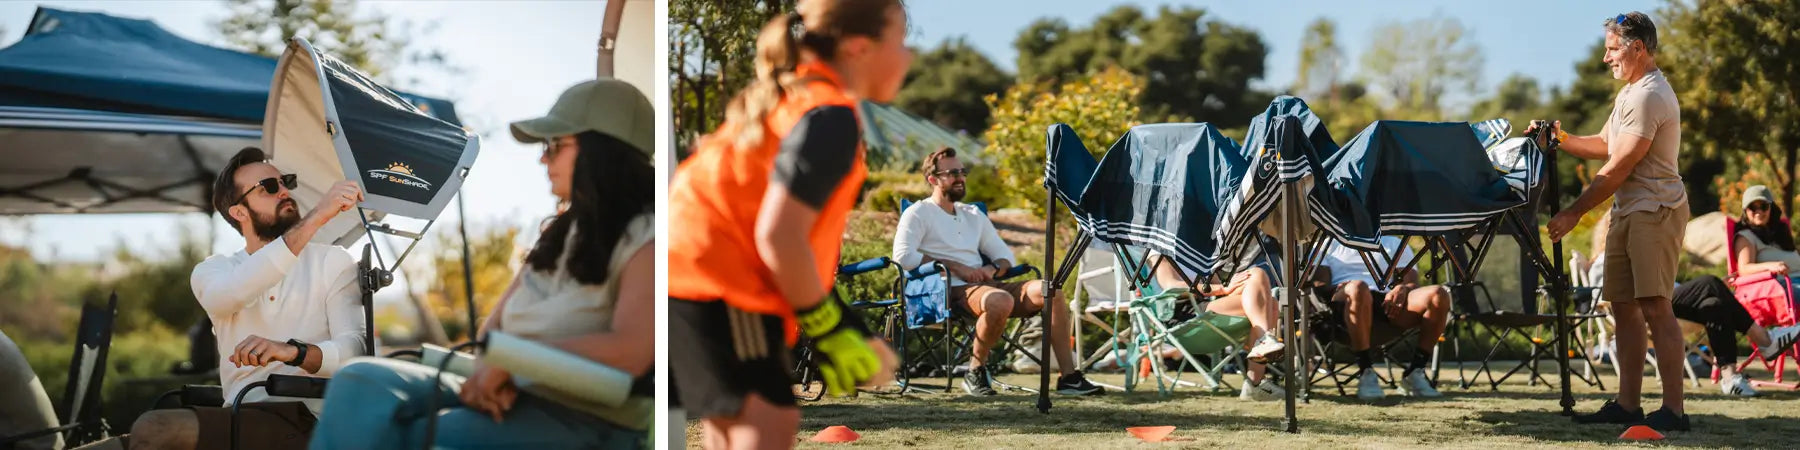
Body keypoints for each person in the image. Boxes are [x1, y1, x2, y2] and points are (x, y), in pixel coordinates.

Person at [304, 79, 657, 449]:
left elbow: (631, 351)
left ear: (604, 151)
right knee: (358, 382)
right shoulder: (557, 237)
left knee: (413, 435)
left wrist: (514, 361)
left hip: (583, 415)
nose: (542, 158)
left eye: (555, 146)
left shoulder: (646, 236)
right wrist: (496, 364)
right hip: (510, 384)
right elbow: (493, 331)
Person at [666, 0, 909, 448]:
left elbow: (784, 238)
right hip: (720, 281)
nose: (909, 56)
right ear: (859, 48)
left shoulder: (794, 100)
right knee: (766, 431)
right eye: (901, 40)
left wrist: (839, 322)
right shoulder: (830, 115)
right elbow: (778, 236)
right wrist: (832, 327)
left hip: (689, 274)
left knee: (735, 433)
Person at [129, 147, 367, 450]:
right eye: (268, 187)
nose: (283, 191)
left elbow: (355, 352)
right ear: (239, 212)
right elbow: (228, 296)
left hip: (310, 418)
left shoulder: (333, 260)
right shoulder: (214, 270)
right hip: (240, 416)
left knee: (154, 428)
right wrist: (317, 216)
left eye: (284, 182)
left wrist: (292, 352)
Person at [1539, 11, 1690, 432]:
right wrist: (1561, 138)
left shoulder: (1649, 96)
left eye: (1612, 49)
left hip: (1655, 210)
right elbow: (1605, 144)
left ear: (1638, 48)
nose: (1606, 58)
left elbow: (1619, 166)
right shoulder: (1629, 93)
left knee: (1656, 306)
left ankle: (1674, 412)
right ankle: (1628, 404)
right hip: (1628, 210)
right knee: (1623, 307)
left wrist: (1573, 212)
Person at [891, 148, 1101, 396]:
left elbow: (1005, 257)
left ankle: (1068, 377)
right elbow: (903, 256)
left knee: (1050, 291)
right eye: (952, 173)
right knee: (1000, 299)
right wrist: (955, 266)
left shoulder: (973, 215)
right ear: (933, 179)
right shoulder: (918, 213)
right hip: (946, 290)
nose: (960, 177)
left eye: (962, 171)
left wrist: (990, 268)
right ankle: (975, 371)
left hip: (987, 286)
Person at [1314, 236, 1450, 400]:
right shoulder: (1326, 244)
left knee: (1439, 294)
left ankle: (1415, 372)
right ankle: (1366, 372)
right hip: (1343, 305)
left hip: (1387, 303)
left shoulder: (1394, 243)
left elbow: (1411, 283)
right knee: (1358, 287)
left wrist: (1402, 288)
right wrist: (1342, 288)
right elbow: (1320, 288)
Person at [1146, 257, 1289, 401]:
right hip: (1183, 313)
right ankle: (1257, 375)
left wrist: (1230, 285)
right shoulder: (1160, 248)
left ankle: (1262, 346)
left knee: (1256, 274)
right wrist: (1220, 288)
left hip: (1207, 305)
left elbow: (1216, 285)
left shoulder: (1199, 249)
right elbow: (1172, 285)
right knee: (1268, 304)